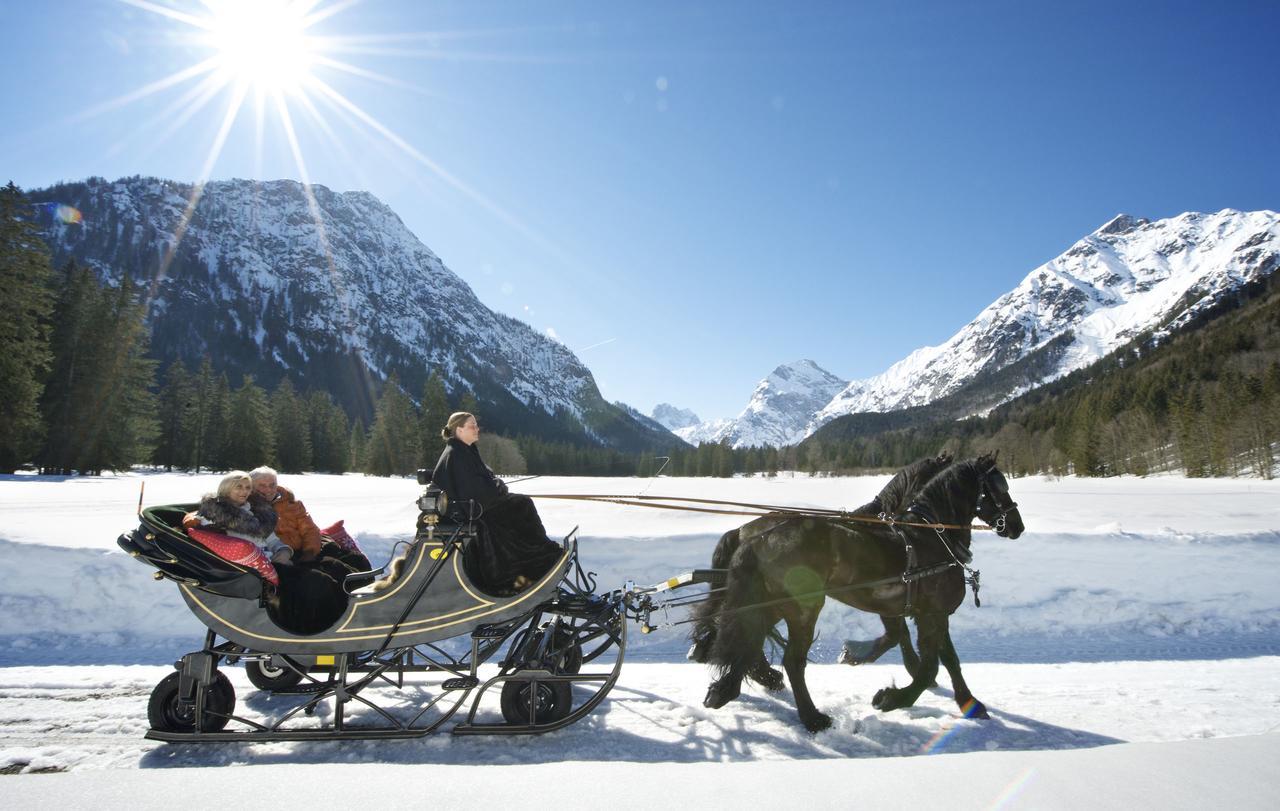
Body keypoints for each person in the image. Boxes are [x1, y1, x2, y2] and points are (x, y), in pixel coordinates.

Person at [431, 412, 562, 593]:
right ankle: (531, 562)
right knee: (521, 506)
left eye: (477, 425)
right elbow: (477, 491)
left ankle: (539, 554)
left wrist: (496, 485)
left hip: (476, 506)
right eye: (473, 426)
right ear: (459, 430)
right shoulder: (457, 454)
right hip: (472, 511)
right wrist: (498, 487)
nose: (477, 429)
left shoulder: (464, 451)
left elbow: (483, 481)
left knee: (521, 503)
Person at [248, 466, 372, 579]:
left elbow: (310, 529)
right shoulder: (249, 508)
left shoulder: (291, 503)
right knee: (330, 572)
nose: (268, 490)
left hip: (309, 549)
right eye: (262, 485)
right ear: (251, 487)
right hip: (286, 554)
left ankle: (370, 596)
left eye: (272, 485)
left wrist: (310, 551)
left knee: (356, 560)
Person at [186, 471, 292, 564]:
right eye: (238, 487)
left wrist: (283, 551)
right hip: (243, 570)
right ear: (226, 489)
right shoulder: (215, 515)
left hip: (269, 560)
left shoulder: (254, 511)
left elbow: (272, 539)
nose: (244, 491)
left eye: (247, 487)